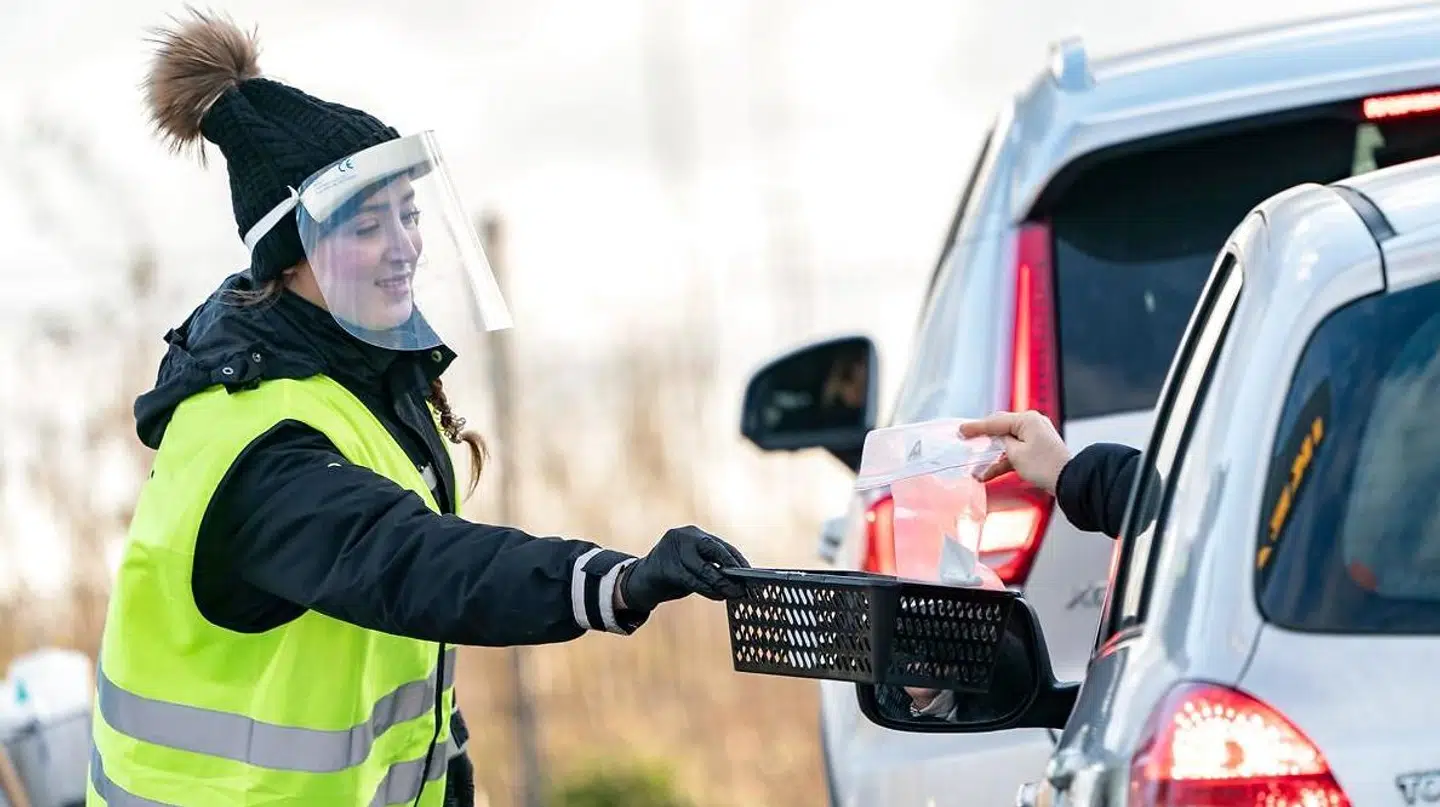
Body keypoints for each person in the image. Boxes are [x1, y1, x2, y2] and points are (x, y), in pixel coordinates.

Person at [89, 10, 750, 807]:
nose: (404, 243)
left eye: (408, 214)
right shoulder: (259, 435)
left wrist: (449, 761)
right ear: (291, 260)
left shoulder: (363, 384)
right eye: (369, 225)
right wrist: (611, 579)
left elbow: (378, 651)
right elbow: (411, 564)